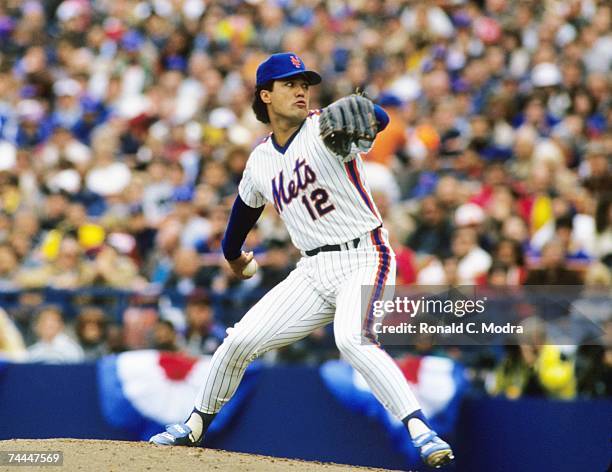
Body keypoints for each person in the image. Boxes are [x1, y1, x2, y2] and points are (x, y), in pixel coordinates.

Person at [150, 52, 454, 467]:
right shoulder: (260, 160)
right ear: (266, 95)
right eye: (290, 83)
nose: (301, 90)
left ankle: (421, 431)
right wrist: (233, 255)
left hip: (365, 254)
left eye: (305, 83)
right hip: (312, 270)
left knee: (352, 339)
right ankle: (195, 425)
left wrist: (373, 112)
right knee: (239, 340)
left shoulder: (326, 127)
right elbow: (243, 209)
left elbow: (376, 121)